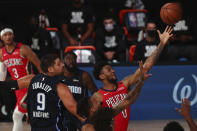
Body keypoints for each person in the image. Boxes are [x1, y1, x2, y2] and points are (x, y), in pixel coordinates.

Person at [88, 25, 173, 131]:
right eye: (109, 70)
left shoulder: (124, 84)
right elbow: (91, 122)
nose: (113, 70)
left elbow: (145, 68)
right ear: (101, 76)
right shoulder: (98, 96)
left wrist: (161, 44)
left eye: (112, 69)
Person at [0, 54, 84, 130]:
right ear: (50, 69)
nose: (63, 65)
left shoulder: (32, 79)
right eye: (58, 64)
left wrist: (32, 113)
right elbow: (76, 110)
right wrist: (90, 122)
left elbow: (10, 85)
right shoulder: (60, 87)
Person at [77, 60, 152, 131]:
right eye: (94, 102)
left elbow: (129, 100)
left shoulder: (106, 115)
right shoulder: (88, 128)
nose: (98, 102)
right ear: (92, 109)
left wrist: (141, 82)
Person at [0, 28, 42, 131]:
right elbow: (2, 72)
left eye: (10, 34)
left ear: (13, 36)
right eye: (5, 35)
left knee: (18, 115)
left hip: (28, 85)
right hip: (17, 87)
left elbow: (38, 64)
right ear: (1, 38)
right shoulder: (1, 53)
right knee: (23, 115)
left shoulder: (23, 49)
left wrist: (45, 79)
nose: (8, 37)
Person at [59, 51, 98, 131]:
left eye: (73, 59)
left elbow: (96, 94)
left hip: (81, 112)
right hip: (63, 113)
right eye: (68, 58)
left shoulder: (84, 76)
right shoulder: (58, 77)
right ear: (63, 61)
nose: (71, 61)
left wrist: (93, 110)